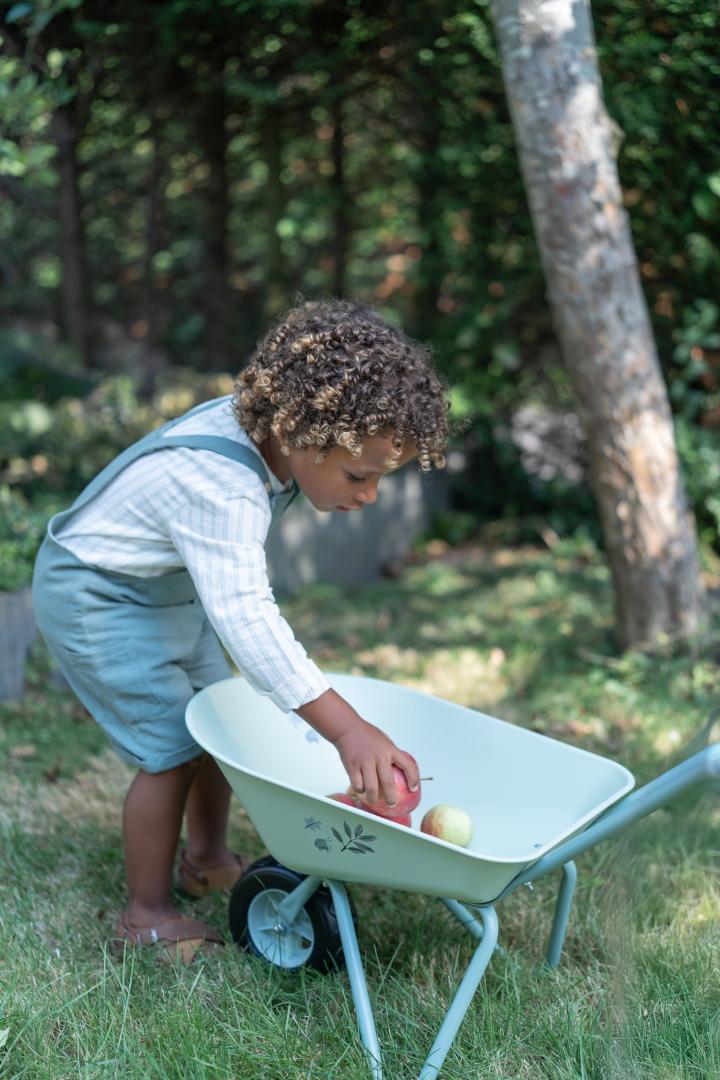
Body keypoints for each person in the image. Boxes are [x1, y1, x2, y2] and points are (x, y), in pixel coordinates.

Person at [32, 297, 449, 961]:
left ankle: (206, 856)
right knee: (169, 744)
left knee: (214, 724)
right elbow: (246, 618)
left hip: (164, 589)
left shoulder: (271, 440)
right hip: (97, 595)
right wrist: (348, 728)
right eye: (358, 475)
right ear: (302, 433)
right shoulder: (220, 481)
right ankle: (144, 912)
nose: (368, 494)